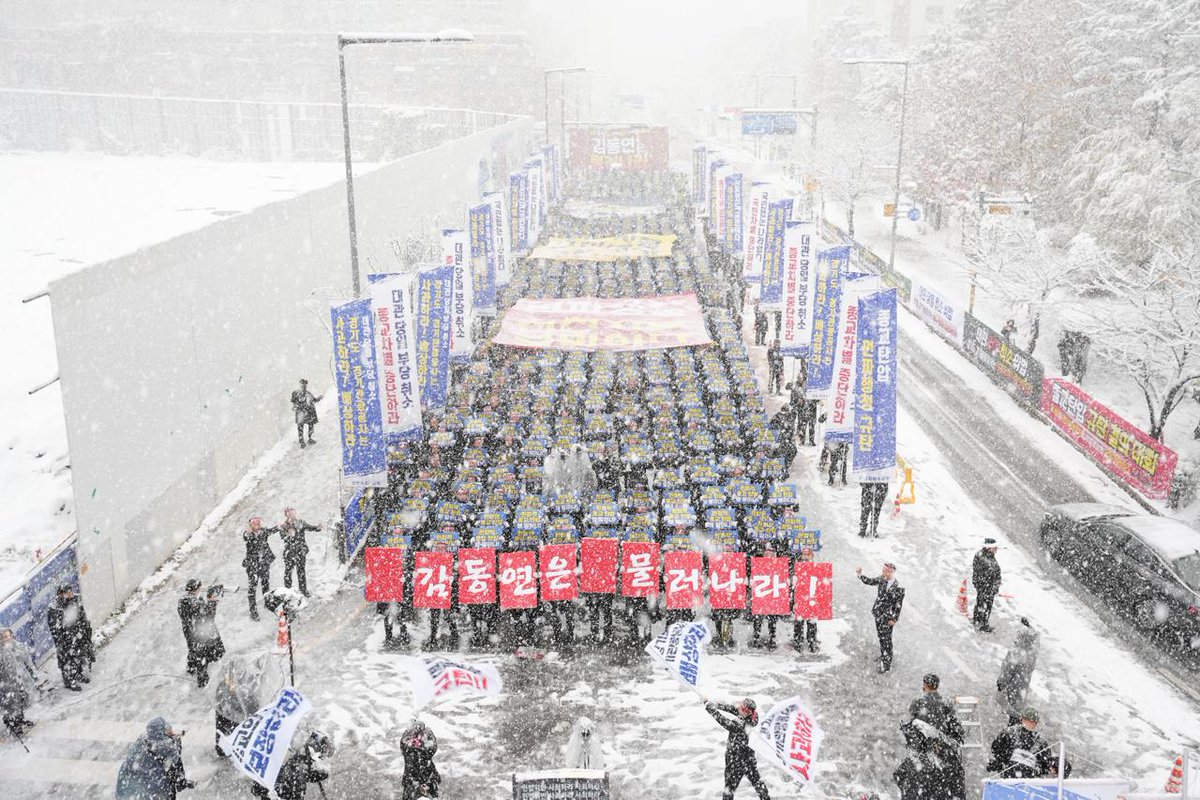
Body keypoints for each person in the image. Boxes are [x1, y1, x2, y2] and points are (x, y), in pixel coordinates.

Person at [907, 673, 966, 800]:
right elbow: (954, 726)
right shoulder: (946, 703)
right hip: (942, 748)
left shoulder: (918, 702)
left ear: (925, 685)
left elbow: (911, 724)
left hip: (924, 747)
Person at [704, 698, 770, 799]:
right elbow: (732, 709)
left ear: (749, 712)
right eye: (741, 706)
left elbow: (724, 722)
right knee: (758, 784)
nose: (740, 709)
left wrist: (711, 709)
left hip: (735, 761)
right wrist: (714, 704)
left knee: (729, 790)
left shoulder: (742, 725)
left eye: (744, 709)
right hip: (749, 759)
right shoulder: (752, 717)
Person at [115, 717, 195, 799]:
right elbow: (175, 765)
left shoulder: (141, 741)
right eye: (169, 730)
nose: (172, 732)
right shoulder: (167, 746)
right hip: (154, 792)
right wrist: (176, 743)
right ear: (163, 731)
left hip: (128, 789)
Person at [215, 653, 273, 758]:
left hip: (237, 714)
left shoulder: (248, 688)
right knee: (226, 735)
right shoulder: (224, 689)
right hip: (230, 713)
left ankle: (230, 749)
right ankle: (227, 749)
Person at [251, 730, 334, 800]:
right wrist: (270, 790)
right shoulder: (267, 767)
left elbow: (322, 773)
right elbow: (256, 789)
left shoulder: (298, 763)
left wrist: (319, 740)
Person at [987, 708, 1067, 779]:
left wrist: (1057, 766)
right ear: (1021, 719)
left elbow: (1045, 764)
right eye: (1028, 720)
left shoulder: (1041, 742)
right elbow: (996, 750)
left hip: (1030, 781)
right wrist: (999, 763)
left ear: (1036, 723)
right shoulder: (1009, 733)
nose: (1030, 724)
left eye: (1033, 722)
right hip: (1008, 778)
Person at [856, 562, 905, 673]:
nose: (883, 572)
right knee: (881, 636)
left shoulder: (899, 586)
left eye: (885, 571)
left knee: (886, 639)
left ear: (891, 572)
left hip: (888, 617)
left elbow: (898, 604)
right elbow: (870, 581)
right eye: (883, 570)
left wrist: (894, 619)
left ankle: (886, 663)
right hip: (878, 613)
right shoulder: (882, 579)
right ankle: (883, 655)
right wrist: (860, 575)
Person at [47, 583, 94, 691]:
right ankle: (69, 680)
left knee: (78, 655)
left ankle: (77, 673)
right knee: (66, 659)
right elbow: (55, 628)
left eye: (70, 591)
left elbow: (81, 615)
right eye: (67, 592)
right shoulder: (55, 608)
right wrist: (64, 638)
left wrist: (83, 628)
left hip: (77, 635)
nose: (70, 594)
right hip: (65, 640)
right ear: (61, 594)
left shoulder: (75, 600)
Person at [996, 618, 1039, 726]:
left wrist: (1001, 683)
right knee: (1018, 704)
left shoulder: (1016, 653)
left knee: (1012, 706)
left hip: (1013, 685)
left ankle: (1013, 726)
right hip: (1023, 684)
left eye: (1019, 636)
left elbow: (1007, 670)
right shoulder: (1032, 652)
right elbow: (1036, 638)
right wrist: (1029, 627)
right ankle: (1017, 721)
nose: (1016, 638)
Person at [0, 628, 38, 736]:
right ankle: (13, 725)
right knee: (9, 706)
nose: (7, 639)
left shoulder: (14, 646)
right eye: (4, 637)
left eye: (8, 636)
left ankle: (20, 720)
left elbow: (24, 659)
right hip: (5, 684)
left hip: (17, 681)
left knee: (20, 702)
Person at [279, 507, 323, 597]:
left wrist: (319, 527)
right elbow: (283, 537)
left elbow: (312, 528)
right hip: (289, 552)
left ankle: (303, 590)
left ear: (295, 513)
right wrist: (288, 535)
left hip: (300, 551)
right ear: (286, 515)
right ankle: (288, 591)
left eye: (293, 512)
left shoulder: (301, 522)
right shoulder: (283, 525)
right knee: (288, 572)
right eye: (289, 513)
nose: (291, 514)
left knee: (301, 572)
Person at [242, 517, 277, 621]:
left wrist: (280, 526)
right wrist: (248, 533)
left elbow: (272, 530)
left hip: (264, 563)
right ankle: (253, 612)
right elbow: (245, 537)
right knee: (252, 588)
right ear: (250, 526)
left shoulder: (264, 531)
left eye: (257, 523)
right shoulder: (248, 534)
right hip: (253, 565)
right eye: (253, 523)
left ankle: (268, 604)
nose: (256, 525)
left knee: (266, 585)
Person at [400, 720, 440, 799]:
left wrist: (427, 736)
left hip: (427, 781)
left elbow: (433, 747)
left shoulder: (425, 751)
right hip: (412, 782)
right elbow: (403, 744)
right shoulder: (409, 751)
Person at [793, 547, 820, 654]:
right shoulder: (797, 568)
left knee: (812, 621)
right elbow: (792, 584)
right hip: (800, 598)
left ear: (812, 556)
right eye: (804, 554)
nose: (805, 557)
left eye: (808, 554)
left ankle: (811, 641)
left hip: (812, 598)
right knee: (799, 621)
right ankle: (798, 641)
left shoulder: (817, 568)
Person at [972, 538, 1002, 632]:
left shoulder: (982, 554)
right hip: (987, 587)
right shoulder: (987, 561)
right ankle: (983, 625)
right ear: (989, 548)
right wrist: (995, 585)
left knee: (980, 603)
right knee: (986, 605)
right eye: (995, 548)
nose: (996, 549)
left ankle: (977, 620)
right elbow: (993, 574)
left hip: (983, 585)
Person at [291, 379, 322, 449]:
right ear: (300, 384)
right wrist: (295, 405)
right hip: (302, 411)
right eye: (302, 384)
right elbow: (293, 401)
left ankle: (308, 440)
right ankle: (303, 441)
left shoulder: (308, 393)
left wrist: (319, 398)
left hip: (307, 411)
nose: (304, 386)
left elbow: (314, 400)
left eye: (305, 384)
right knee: (302, 426)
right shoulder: (296, 392)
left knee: (308, 425)